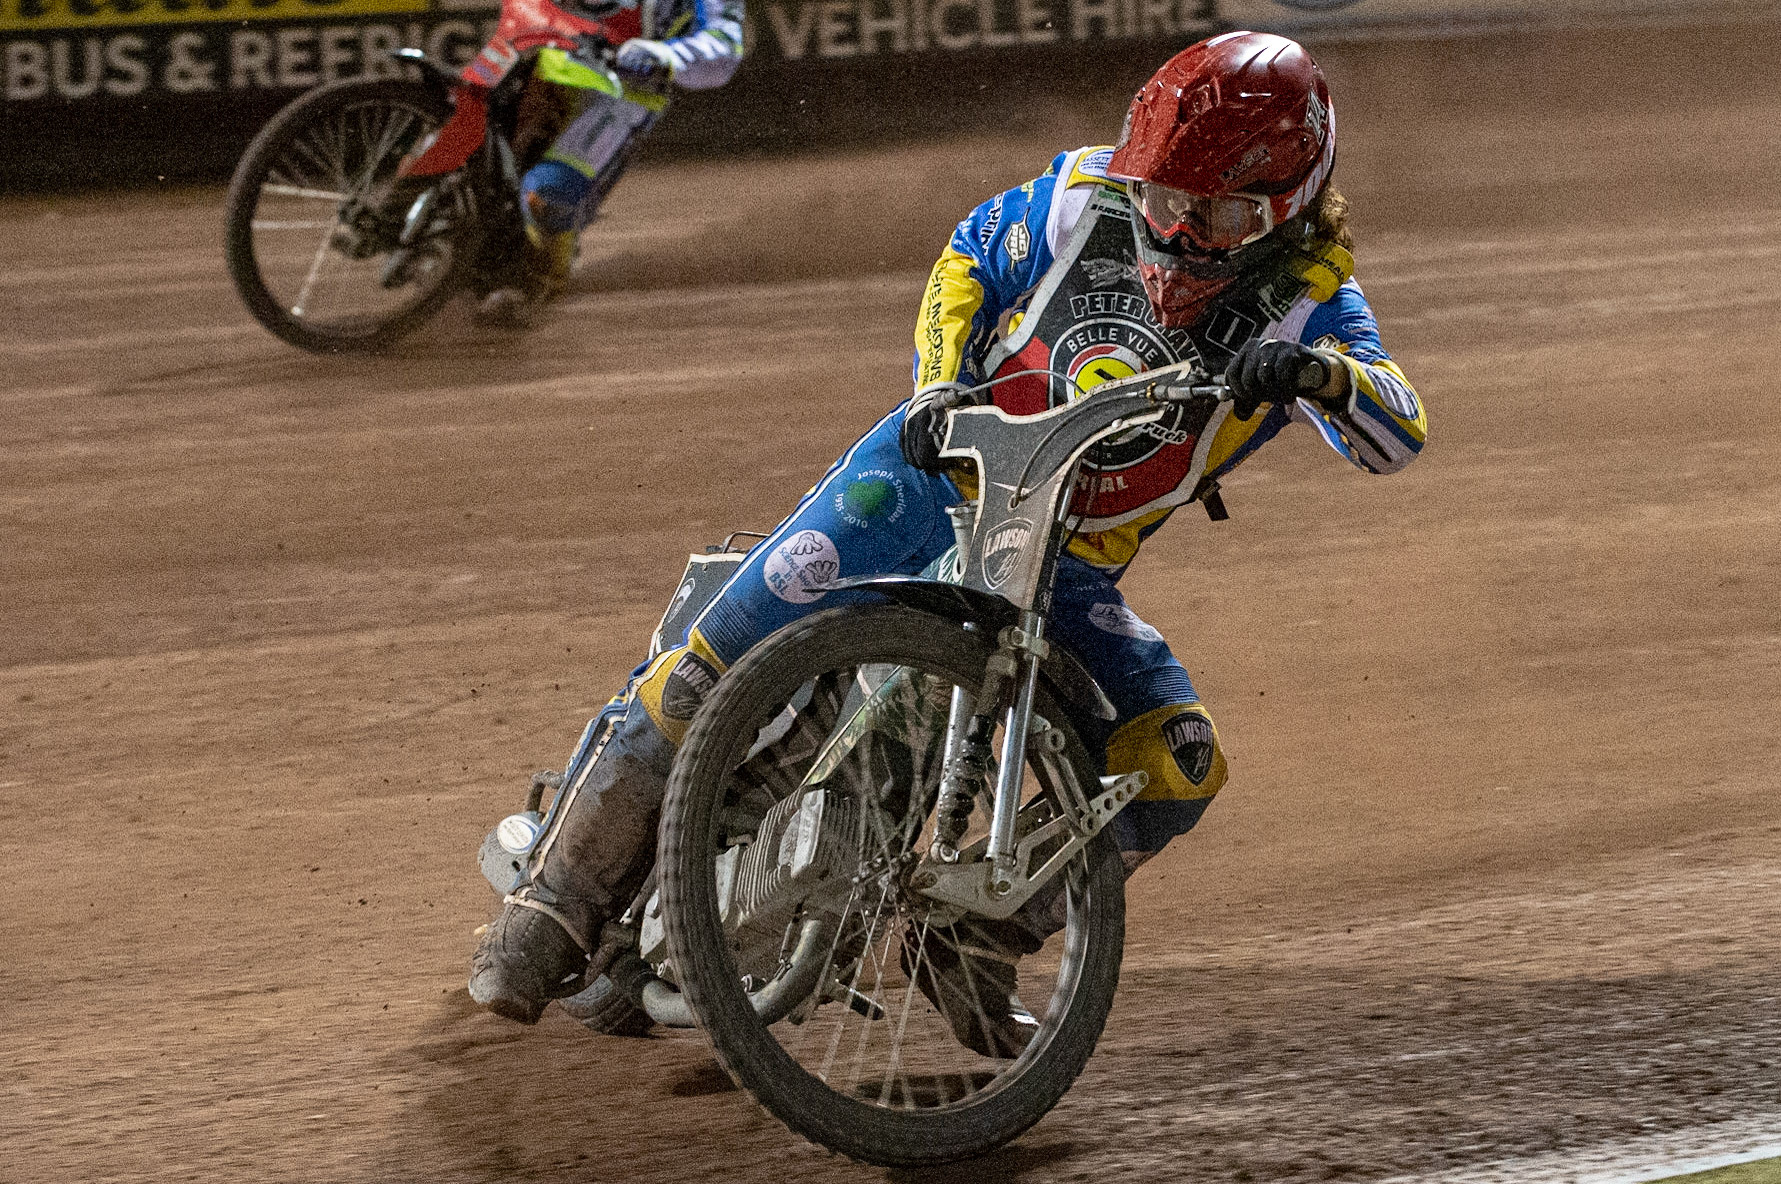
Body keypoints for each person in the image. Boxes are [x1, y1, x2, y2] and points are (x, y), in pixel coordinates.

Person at [468, 31, 1428, 1051]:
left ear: (1280, 206)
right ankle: (549, 905)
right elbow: (969, 253)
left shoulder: (1312, 304)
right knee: (706, 664)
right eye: (1161, 199)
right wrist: (937, 380)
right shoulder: (1079, 200)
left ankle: (976, 937)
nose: (1177, 232)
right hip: (925, 477)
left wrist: (1325, 378)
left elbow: (1397, 429)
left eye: (1213, 213)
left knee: (1178, 760)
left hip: (1065, 571)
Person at [475, 0, 745, 325]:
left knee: (547, 195)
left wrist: (670, 54)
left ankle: (533, 282)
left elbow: (726, 47)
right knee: (460, 136)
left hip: (626, 92)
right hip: (549, 61)